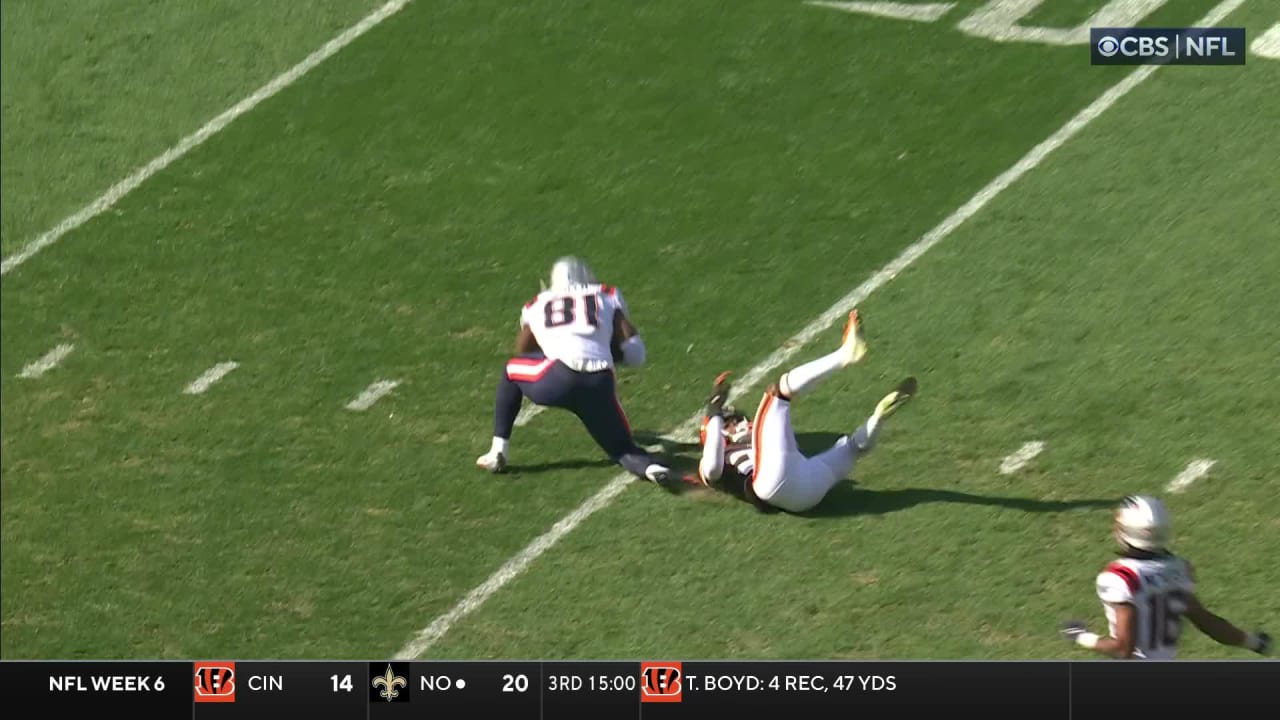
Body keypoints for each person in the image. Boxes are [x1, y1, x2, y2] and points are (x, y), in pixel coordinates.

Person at [693, 310, 916, 513]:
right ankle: (845, 354)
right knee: (778, 392)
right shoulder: (720, 454)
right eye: (730, 422)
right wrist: (713, 411)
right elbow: (712, 467)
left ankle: (878, 418)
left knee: (853, 448)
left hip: (805, 493)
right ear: (720, 432)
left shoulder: (757, 444)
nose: (739, 422)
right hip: (768, 480)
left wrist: (716, 416)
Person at [475, 256, 672, 485]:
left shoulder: (537, 304)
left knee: (511, 370)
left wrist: (551, 342)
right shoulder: (606, 295)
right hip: (599, 383)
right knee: (623, 449)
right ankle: (652, 469)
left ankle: (498, 451)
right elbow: (636, 355)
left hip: (557, 380)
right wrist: (608, 351)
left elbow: (523, 350)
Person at [1061, 495, 1271, 659]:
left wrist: (1081, 636)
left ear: (1124, 532)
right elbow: (1207, 622)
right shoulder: (1180, 570)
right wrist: (1254, 642)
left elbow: (1123, 648)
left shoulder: (1120, 577)